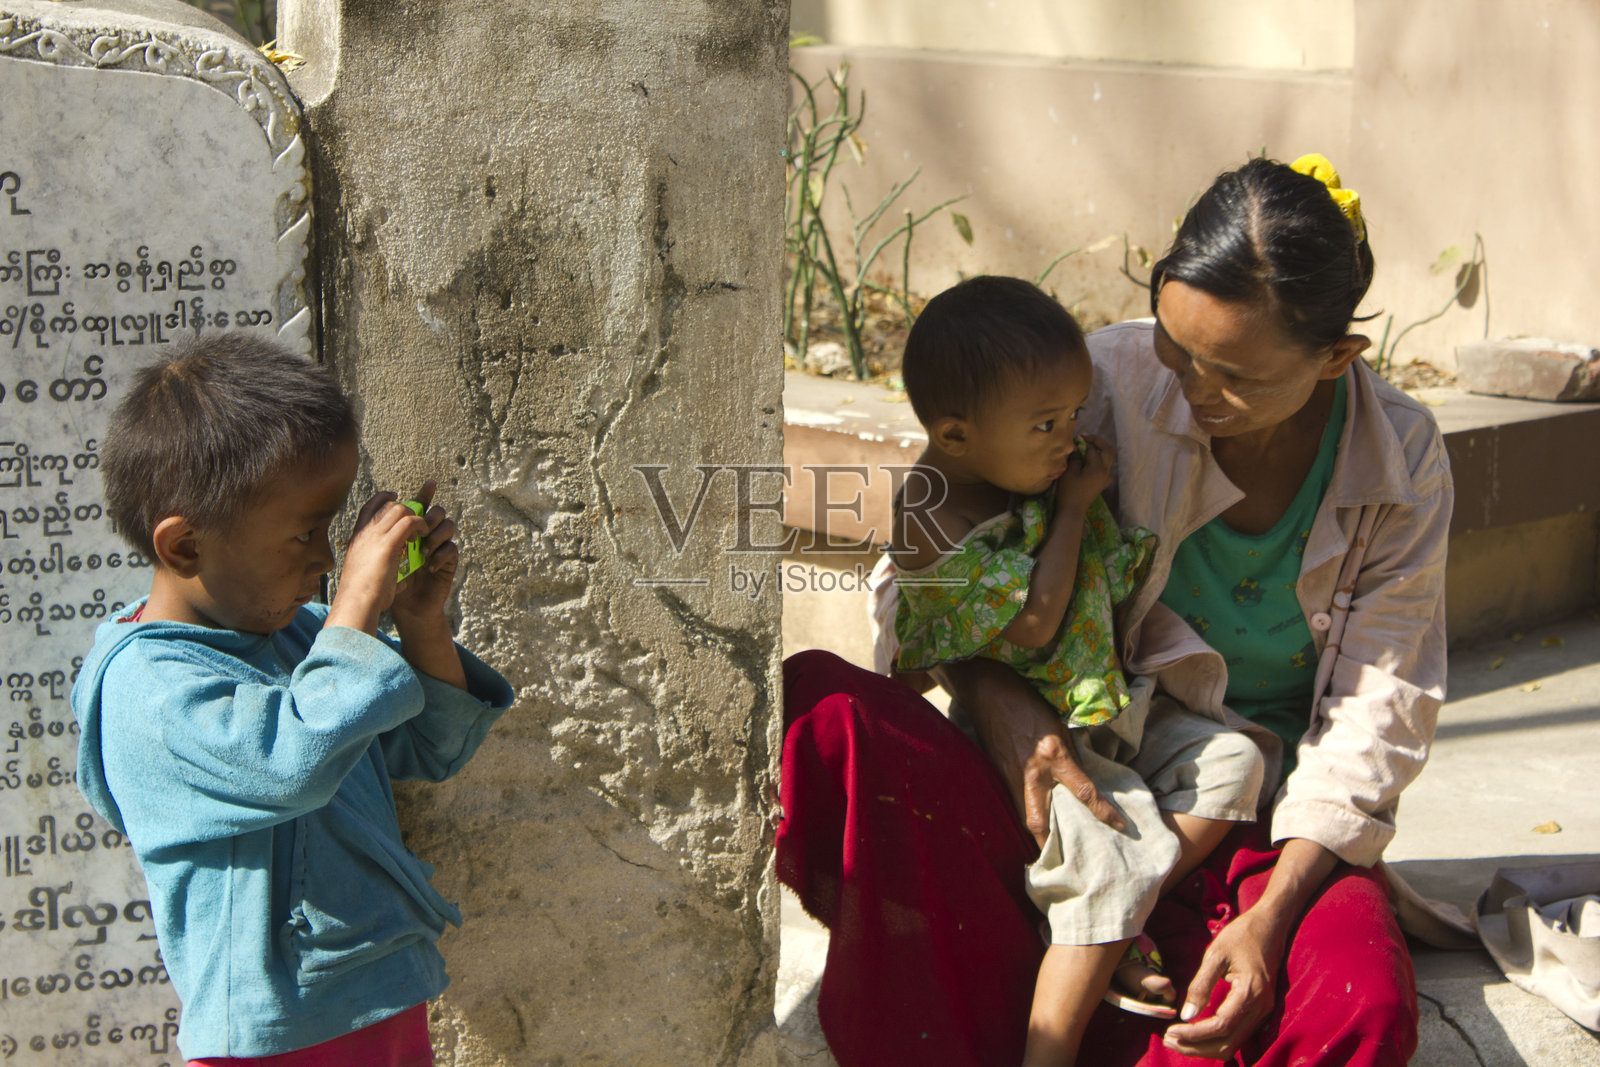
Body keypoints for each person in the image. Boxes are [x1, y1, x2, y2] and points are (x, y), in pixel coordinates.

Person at [777, 153, 1451, 1066]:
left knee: (1353, 1002)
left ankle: (1104, 922)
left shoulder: (1400, 458)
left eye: (1233, 376)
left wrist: (1272, 913)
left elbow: (1384, 706)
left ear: (1336, 356)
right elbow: (930, 560)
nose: (1186, 387)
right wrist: (996, 697)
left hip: (1245, 821)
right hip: (1070, 776)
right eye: (1177, 348)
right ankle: (1091, 928)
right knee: (830, 713)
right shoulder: (1099, 379)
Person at [71, 333, 515, 1066]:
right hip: (277, 1029)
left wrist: (417, 621)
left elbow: (429, 746)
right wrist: (354, 610)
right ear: (185, 547)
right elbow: (291, 762)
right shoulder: (146, 691)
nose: (324, 560)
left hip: (378, 991)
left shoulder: (296, 633)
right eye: (305, 533)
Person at [889, 276, 1264, 1064]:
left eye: (1072, 417)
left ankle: (1110, 926)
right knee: (1104, 862)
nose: (1070, 439)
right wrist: (1071, 510)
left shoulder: (1015, 464)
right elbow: (1033, 620)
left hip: (1111, 706)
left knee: (1237, 762)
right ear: (956, 436)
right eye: (1046, 425)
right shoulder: (933, 515)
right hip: (1034, 739)